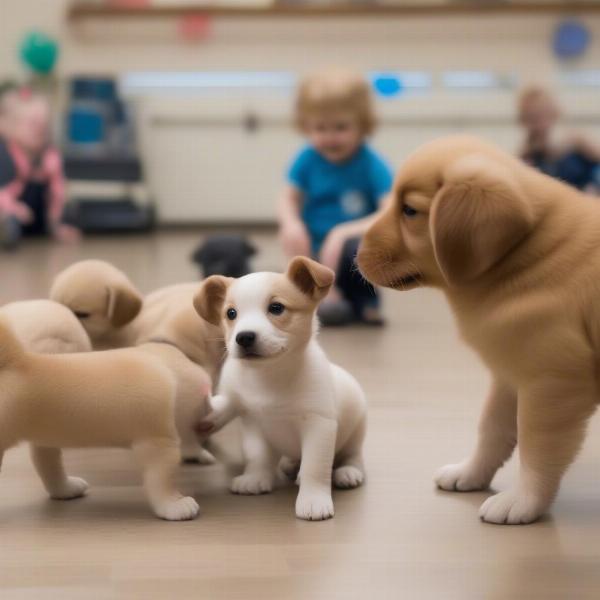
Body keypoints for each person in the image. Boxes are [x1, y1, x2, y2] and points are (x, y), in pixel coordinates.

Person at [277, 67, 393, 326]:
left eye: (341, 127)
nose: (330, 137)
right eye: (320, 128)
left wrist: (342, 233)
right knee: (294, 238)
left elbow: (389, 210)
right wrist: (291, 222)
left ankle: (364, 303)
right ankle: (309, 295)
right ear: (306, 126)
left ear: (362, 125)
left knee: (357, 249)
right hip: (313, 247)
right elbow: (288, 198)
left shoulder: (370, 163)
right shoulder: (307, 159)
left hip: (350, 251)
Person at [0, 86, 79, 250]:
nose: (41, 129)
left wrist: (56, 225)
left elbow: (57, 194)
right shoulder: (7, 156)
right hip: (12, 212)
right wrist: (13, 208)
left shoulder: (50, 157)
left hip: (37, 220)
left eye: (45, 124)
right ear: (6, 126)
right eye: (32, 124)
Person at [518, 85, 600, 193]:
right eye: (532, 117)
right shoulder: (527, 156)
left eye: (543, 113)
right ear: (525, 119)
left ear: (553, 112)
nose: (539, 122)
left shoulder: (576, 140)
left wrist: (595, 186)